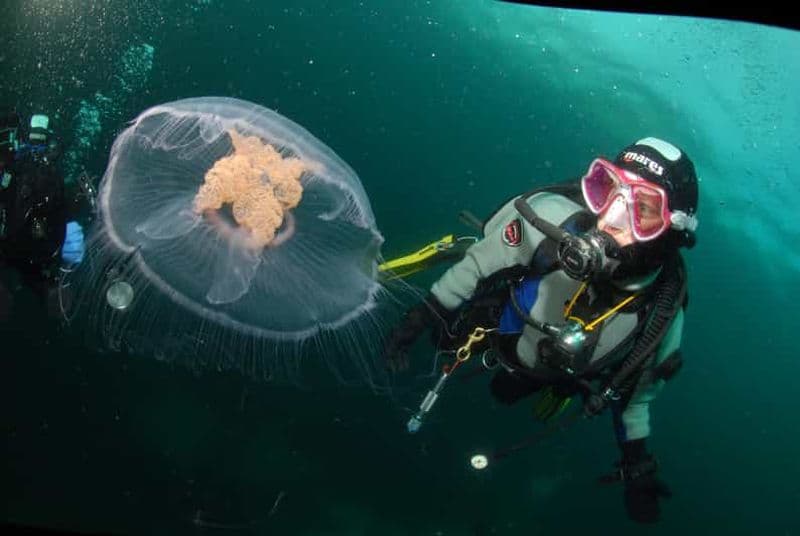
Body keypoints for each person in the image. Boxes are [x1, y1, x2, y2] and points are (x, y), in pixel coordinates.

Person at [385, 137, 699, 524]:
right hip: (495, 327)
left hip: (549, 372)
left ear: (674, 230)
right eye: (610, 191)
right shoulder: (551, 220)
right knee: (444, 339)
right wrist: (418, 318)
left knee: (507, 395)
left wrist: (638, 468)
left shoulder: (661, 314)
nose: (611, 218)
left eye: (644, 209)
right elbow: (478, 267)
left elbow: (635, 398)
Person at [0, 109, 88, 313]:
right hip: (29, 251)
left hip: (30, 250)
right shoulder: (16, 169)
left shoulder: (26, 170)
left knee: (53, 297)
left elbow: (58, 213)